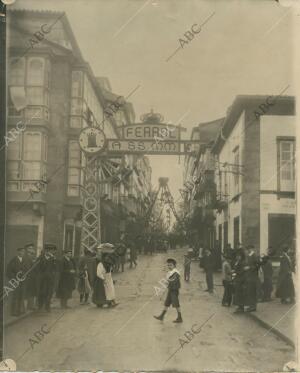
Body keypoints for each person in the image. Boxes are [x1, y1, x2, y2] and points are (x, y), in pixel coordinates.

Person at [154, 258, 182, 323]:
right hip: (171, 290)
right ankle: (161, 316)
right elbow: (168, 282)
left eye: (171, 265)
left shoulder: (176, 273)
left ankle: (180, 317)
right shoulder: (170, 272)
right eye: (168, 265)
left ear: (174, 265)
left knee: (176, 304)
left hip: (174, 290)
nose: (169, 266)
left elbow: (172, 281)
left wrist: (167, 282)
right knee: (167, 303)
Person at [36, 243, 57, 312]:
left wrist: (54, 260)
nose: (49, 252)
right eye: (47, 250)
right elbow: (37, 268)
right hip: (42, 279)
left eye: (50, 250)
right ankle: (40, 306)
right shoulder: (40, 258)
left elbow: (55, 268)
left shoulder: (53, 259)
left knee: (49, 292)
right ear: (45, 251)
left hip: (50, 279)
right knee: (42, 292)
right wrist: (40, 275)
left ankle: (47, 306)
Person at [6, 247, 27, 316]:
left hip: (22, 282)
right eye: (21, 251)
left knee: (21, 295)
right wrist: (14, 278)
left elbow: (26, 270)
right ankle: (14, 312)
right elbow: (9, 271)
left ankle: (20, 310)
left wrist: (24, 275)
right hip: (15, 281)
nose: (22, 253)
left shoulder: (24, 260)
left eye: (23, 252)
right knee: (16, 296)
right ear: (18, 252)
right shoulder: (13, 260)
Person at [244, 245, 260, 312]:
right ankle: (251, 306)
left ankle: (253, 307)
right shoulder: (249, 255)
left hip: (253, 276)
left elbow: (257, 266)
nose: (248, 250)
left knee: (252, 291)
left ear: (252, 249)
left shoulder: (255, 256)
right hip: (249, 276)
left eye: (249, 249)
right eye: (247, 249)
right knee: (249, 291)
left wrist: (249, 267)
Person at [24, 243, 38, 310]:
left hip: (33, 277)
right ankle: (26, 307)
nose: (31, 250)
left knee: (32, 291)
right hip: (27, 277)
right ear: (26, 249)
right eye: (29, 248)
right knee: (27, 292)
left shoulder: (33, 257)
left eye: (32, 248)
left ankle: (31, 306)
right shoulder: (25, 257)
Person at [232, 248, 246, 313]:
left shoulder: (242, 263)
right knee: (237, 293)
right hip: (237, 279)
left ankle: (241, 307)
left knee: (240, 293)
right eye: (237, 256)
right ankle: (239, 306)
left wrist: (235, 272)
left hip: (241, 280)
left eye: (239, 256)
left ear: (241, 256)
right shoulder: (237, 262)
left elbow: (242, 271)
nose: (237, 257)